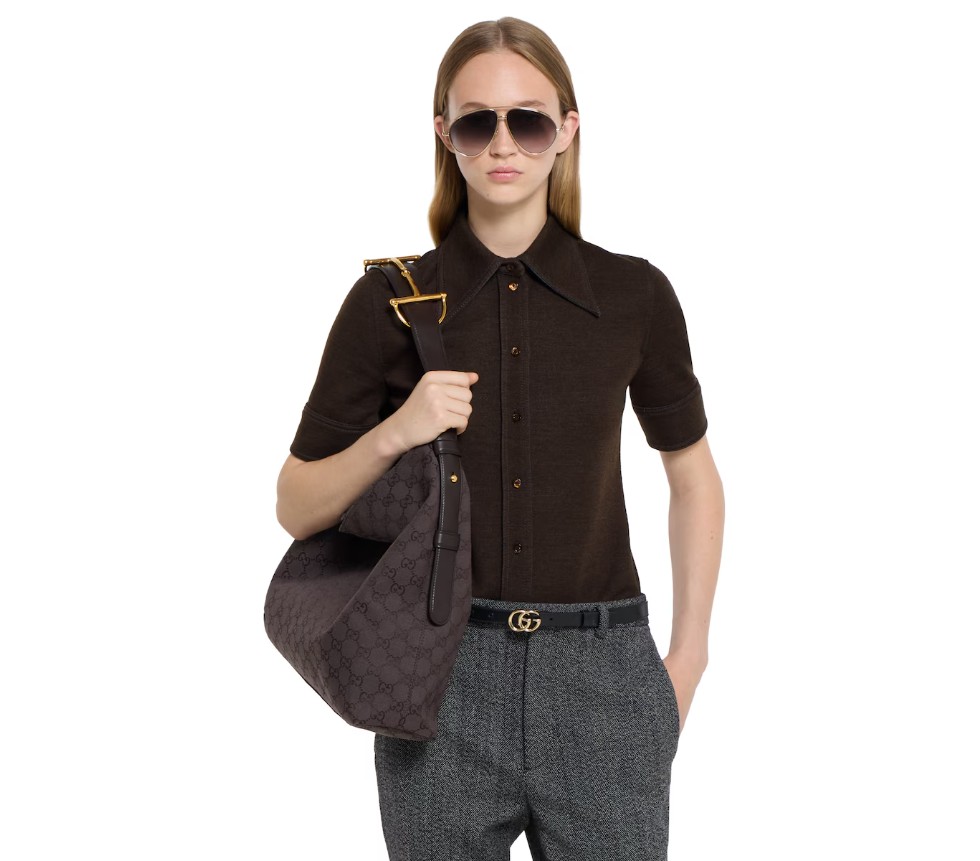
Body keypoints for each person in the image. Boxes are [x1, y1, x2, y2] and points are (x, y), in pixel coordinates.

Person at [275, 16, 724, 861]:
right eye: (478, 121)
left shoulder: (635, 297)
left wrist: (687, 658)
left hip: (605, 676)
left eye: (530, 120)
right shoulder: (388, 304)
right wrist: (397, 432)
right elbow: (295, 504)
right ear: (445, 134)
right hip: (438, 673)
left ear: (568, 129)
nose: (504, 143)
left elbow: (693, 476)